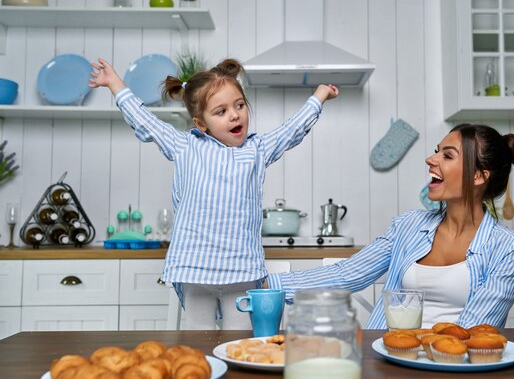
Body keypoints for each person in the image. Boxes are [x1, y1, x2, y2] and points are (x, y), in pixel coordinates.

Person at [89, 57, 338, 330]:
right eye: (221, 111)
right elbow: (146, 122)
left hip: (241, 269)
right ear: (201, 123)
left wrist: (319, 97)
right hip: (194, 269)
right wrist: (115, 84)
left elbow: (291, 130)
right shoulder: (185, 146)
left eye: (240, 105)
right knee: (199, 343)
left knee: (238, 342)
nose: (234, 115)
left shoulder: (256, 151)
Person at [267, 123, 514, 329]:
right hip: (390, 359)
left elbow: (472, 331)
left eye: (447, 156)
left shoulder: (508, 248)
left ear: (478, 175)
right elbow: (347, 274)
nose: (430, 159)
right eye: (437, 152)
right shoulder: (408, 226)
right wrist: (267, 285)